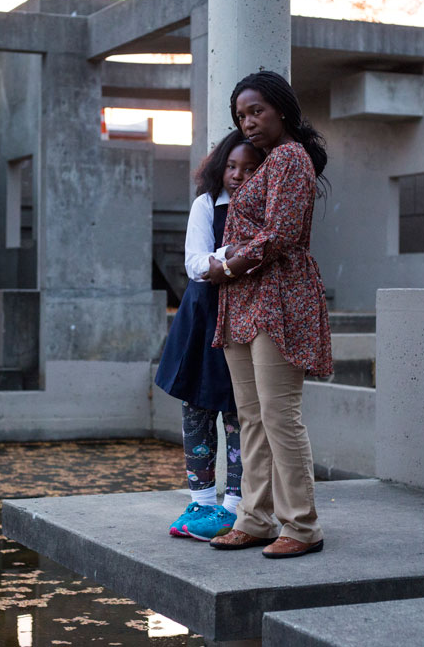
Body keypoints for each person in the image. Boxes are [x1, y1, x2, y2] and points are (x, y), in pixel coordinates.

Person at [204, 70, 333, 559]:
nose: (249, 122)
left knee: (280, 416)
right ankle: (254, 519)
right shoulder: (264, 164)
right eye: (241, 115)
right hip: (244, 298)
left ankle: (301, 526)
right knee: (251, 417)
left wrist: (228, 264)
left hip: (279, 296)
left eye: (256, 111)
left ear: (281, 108)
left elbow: (280, 234)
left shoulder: (291, 159)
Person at [155, 131, 265, 541]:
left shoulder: (267, 211)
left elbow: (262, 260)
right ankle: (201, 501)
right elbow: (195, 264)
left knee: (239, 411)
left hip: (243, 317)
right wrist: (231, 255)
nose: (239, 175)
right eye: (232, 167)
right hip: (202, 317)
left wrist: (229, 261)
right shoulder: (205, 205)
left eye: (250, 168)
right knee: (196, 407)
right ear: (219, 167)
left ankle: (234, 506)